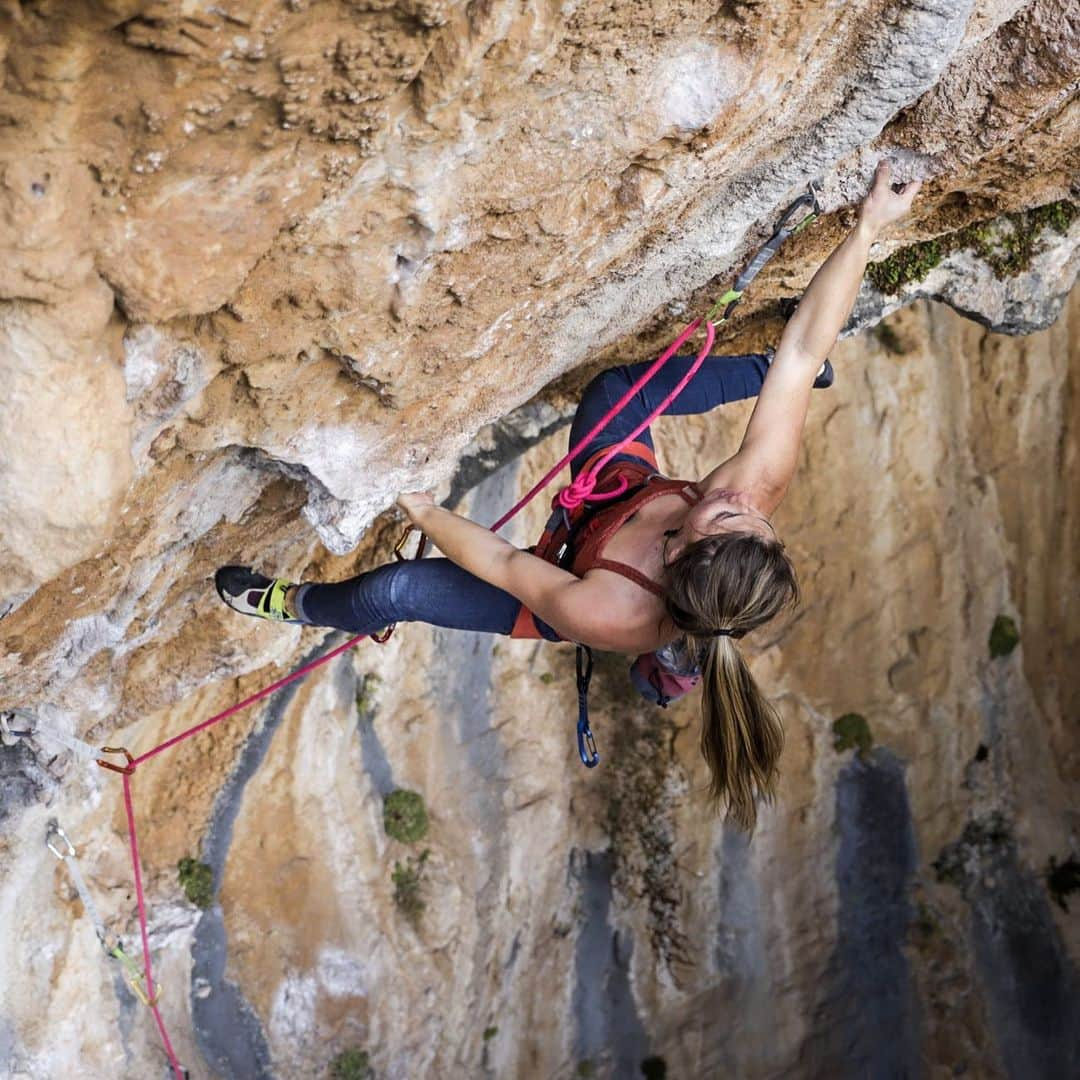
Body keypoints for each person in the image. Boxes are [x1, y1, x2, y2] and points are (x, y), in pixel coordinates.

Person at [217, 161, 920, 830]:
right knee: (613, 392)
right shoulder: (748, 499)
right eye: (757, 524)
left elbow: (499, 563)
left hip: (560, 579)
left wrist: (422, 508)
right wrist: (868, 228)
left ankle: (290, 605)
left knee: (394, 591)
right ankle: (685, 647)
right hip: (616, 497)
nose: (747, 505)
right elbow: (801, 354)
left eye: (731, 516)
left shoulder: (610, 610)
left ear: (683, 550)